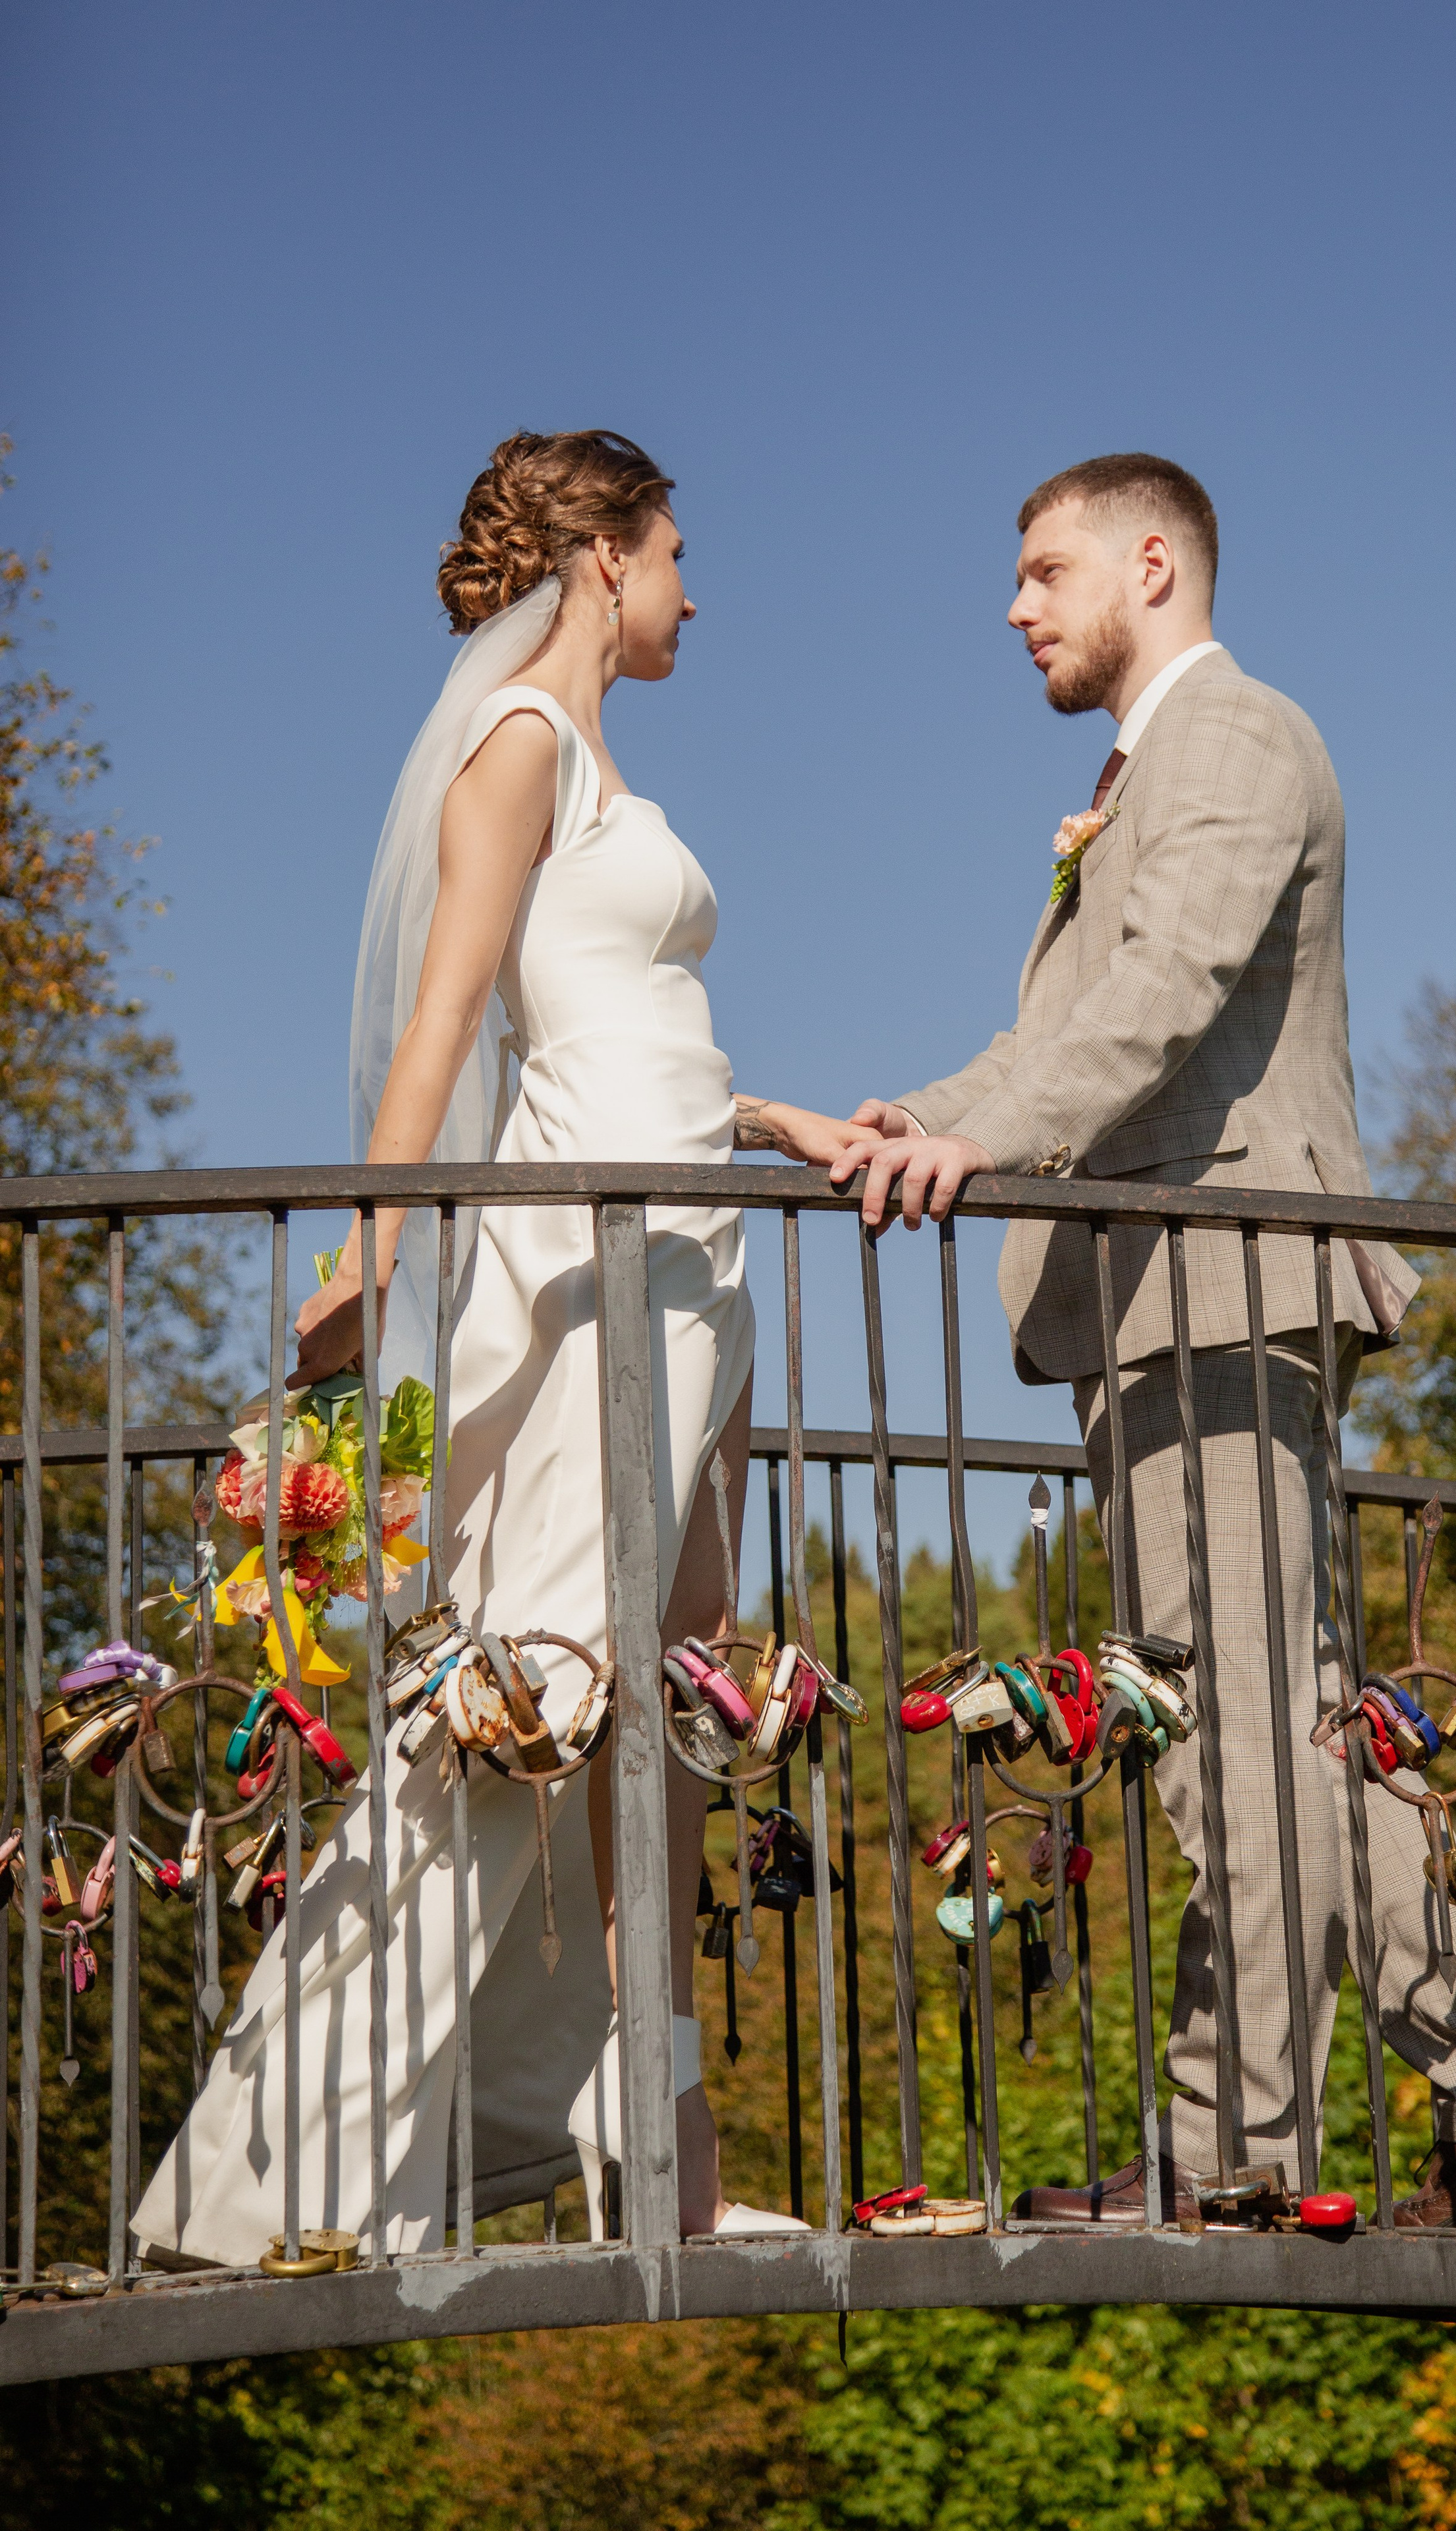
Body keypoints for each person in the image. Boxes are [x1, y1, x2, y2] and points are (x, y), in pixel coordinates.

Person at [830, 452, 1456, 2229]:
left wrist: (984, 1139)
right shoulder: (1148, 773)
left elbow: (1161, 997)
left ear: (1151, 561)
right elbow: (1090, 1021)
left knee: (1227, 1743)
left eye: (1042, 570)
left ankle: (1230, 2151)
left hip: (1229, 1294)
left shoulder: (1237, 740)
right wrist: (895, 1123)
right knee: (1294, 1729)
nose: (1014, 607)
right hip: (1175, 1306)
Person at [136, 430, 866, 2262]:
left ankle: (668, 2158)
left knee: (669, 1706)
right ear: (605, 558)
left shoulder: (601, 756)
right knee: (541, 1683)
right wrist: (369, 1259)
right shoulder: (521, 748)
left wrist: (772, 1119)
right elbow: (457, 1017)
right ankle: (270, 2174)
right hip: (610, 1258)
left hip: (694, 1237)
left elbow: (625, 1024)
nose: (699, 583)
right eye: (680, 546)